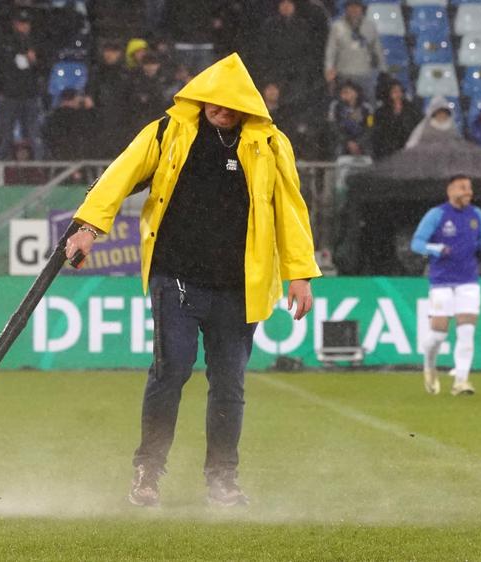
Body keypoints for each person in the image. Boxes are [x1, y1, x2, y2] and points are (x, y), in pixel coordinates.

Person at [65, 53, 320, 508]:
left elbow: (290, 209)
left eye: (230, 101)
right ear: (200, 97)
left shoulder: (270, 144)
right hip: (177, 278)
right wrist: (88, 227)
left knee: (229, 384)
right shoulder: (168, 131)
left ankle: (222, 478)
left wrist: (299, 272)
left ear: (246, 104)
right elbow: (119, 175)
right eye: (213, 100)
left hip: (240, 287)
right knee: (171, 371)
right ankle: (148, 471)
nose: (220, 107)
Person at [411, 174, 481, 396]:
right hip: (441, 281)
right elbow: (417, 243)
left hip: (469, 280)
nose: (468, 192)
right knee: (438, 334)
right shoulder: (437, 214)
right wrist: (436, 249)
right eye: (462, 188)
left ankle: (461, 381)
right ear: (450, 191)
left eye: (469, 188)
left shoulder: (477, 215)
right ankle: (429, 364)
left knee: (466, 331)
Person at [0, 7, 45, 159]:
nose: (23, 26)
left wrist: (35, 61)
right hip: (9, 96)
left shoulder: (36, 43)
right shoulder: (4, 43)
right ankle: (1, 173)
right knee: (5, 137)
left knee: (34, 136)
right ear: (15, 24)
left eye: (26, 23)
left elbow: (44, 69)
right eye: (21, 23)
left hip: (30, 96)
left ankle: (38, 171)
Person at [324, 0, 386, 105]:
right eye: (351, 7)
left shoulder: (370, 26)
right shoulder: (337, 26)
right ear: (346, 8)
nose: (354, 10)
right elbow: (331, 50)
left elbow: (377, 49)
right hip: (343, 74)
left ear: (362, 8)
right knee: (344, 106)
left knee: (368, 107)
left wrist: (383, 69)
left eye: (357, 7)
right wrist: (329, 69)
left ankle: (369, 122)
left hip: (365, 74)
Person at [372, 80, 422, 160]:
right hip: (388, 152)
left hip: (408, 150)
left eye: (400, 91)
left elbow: (419, 128)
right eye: (394, 92)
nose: (398, 94)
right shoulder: (380, 112)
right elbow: (377, 133)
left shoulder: (412, 109)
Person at [327, 81, 372, 157]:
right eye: (342, 92)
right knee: (338, 150)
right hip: (343, 140)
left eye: (347, 92)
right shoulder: (335, 106)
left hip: (361, 140)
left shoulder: (367, 107)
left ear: (356, 93)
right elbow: (333, 126)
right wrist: (347, 142)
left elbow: (370, 127)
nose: (343, 94)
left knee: (369, 151)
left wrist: (359, 142)